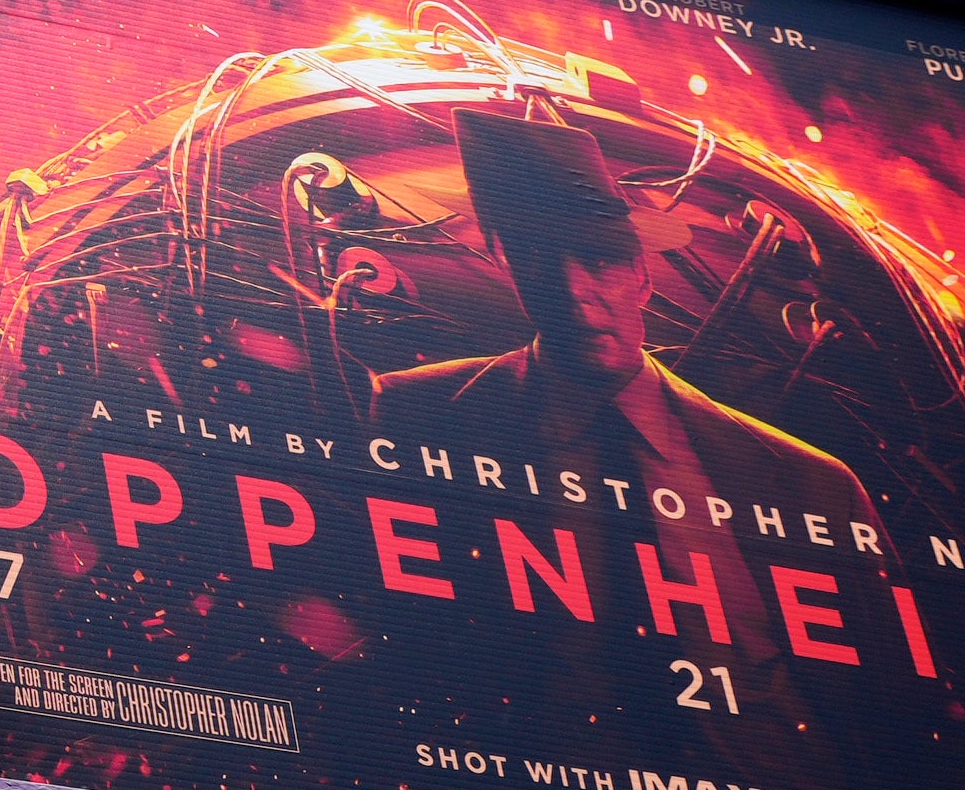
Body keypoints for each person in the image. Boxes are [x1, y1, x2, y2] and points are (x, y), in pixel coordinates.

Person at [367, 101, 882, 540]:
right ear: (505, 263)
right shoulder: (414, 413)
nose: (573, 292)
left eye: (597, 261)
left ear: (641, 275)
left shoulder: (818, 487)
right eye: (541, 261)